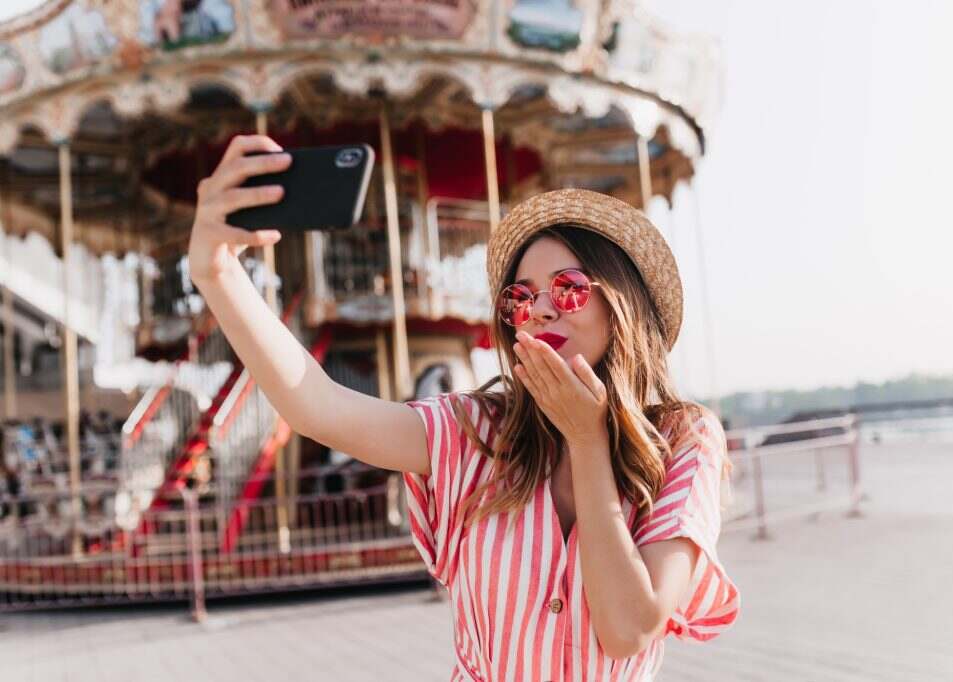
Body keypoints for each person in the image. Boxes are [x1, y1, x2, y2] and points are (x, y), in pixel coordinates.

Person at [188, 135, 740, 681]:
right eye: (520, 298)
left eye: (568, 288)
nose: (540, 310)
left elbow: (628, 629)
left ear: (622, 302)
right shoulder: (476, 430)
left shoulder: (682, 438)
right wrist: (218, 272)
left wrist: (589, 442)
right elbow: (320, 407)